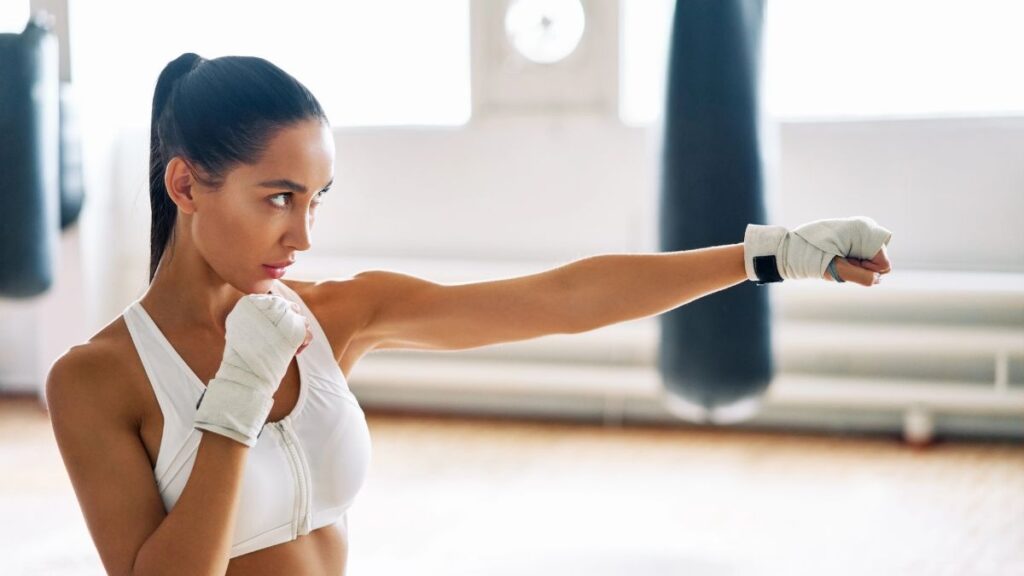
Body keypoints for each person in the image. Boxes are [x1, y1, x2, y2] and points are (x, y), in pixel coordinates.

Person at [44, 53, 893, 576]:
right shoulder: (98, 379)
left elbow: (560, 299)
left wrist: (769, 254)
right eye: (278, 198)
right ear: (186, 184)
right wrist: (233, 404)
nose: (303, 234)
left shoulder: (334, 317)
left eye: (317, 200)